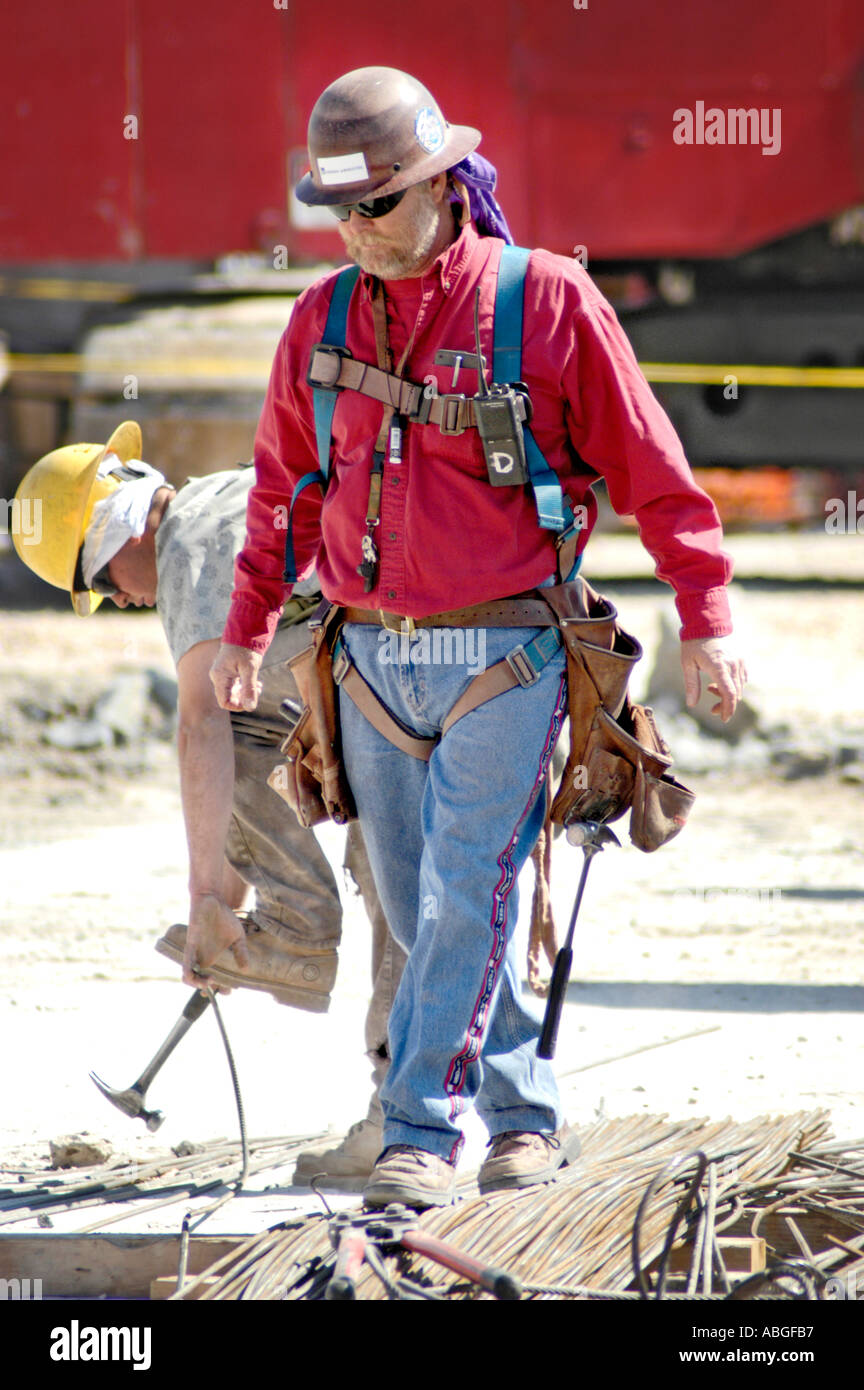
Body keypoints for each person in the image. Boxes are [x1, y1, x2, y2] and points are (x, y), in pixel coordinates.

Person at [209, 67, 747, 1209]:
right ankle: (524, 1117)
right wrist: (248, 625)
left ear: (448, 184)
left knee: (465, 892)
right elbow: (281, 494)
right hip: (363, 664)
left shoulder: (546, 303)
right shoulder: (319, 323)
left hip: (507, 659)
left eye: (382, 204)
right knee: (431, 914)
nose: (360, 230)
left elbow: (658, 474)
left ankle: (419, 1130)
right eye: (342, 211)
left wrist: (707, 614)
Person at [12, 426, 405, 1183]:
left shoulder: (188, 541)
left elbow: (203, 726)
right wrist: (225, 903)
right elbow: (240, 743)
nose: (118, 598)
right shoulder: (225, 498)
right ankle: (404, 1111)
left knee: (391, 870)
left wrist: (203, 901)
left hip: (401, 693)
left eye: (99, 581)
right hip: (411, 685)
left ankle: (304, 945)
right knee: (396, 875)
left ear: (120, 531)